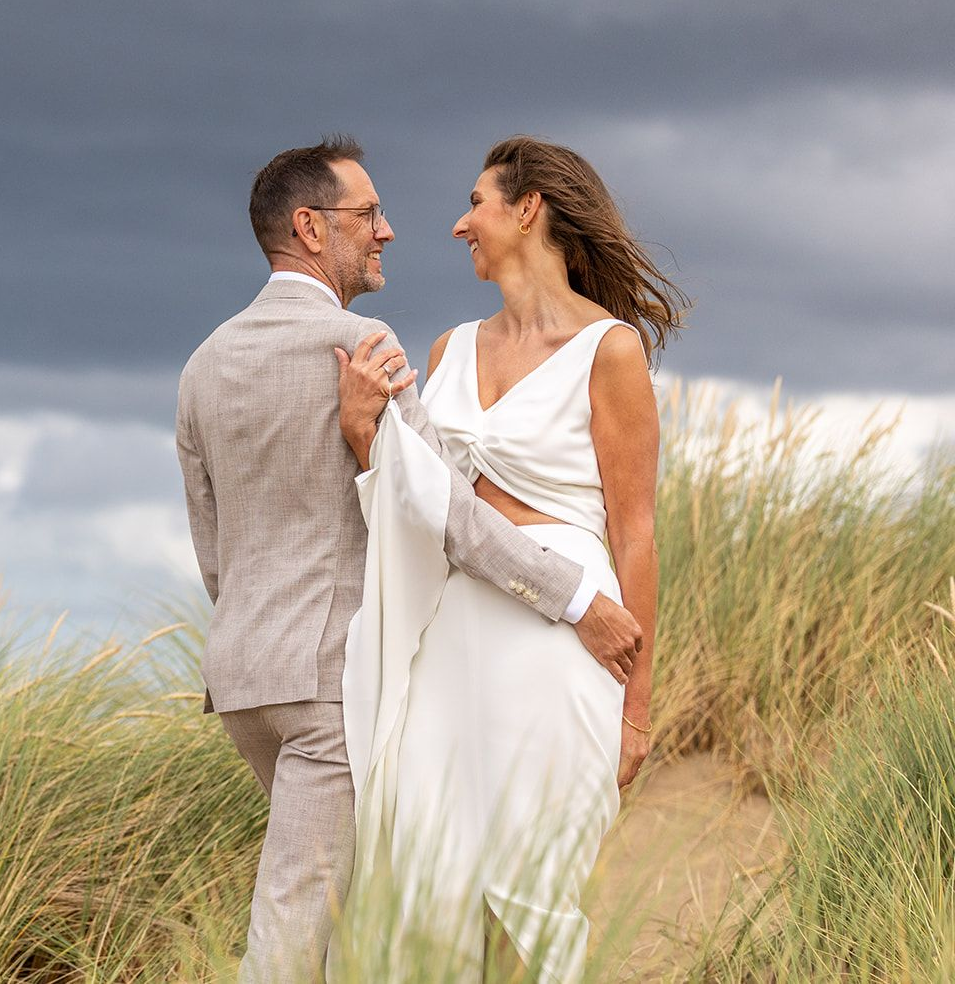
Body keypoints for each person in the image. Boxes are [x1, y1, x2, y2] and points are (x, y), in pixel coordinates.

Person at [174, 135, 645, 984]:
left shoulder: (203, 363)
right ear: (310, 227)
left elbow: (214, 550)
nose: (393, 229)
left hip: (251, 672)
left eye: (472, 203)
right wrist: (575, 596)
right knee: (325, 909)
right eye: (369, 214)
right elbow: (446, 510)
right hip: (365, 669)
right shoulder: (379, 344)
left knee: (393, 905)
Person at [335, 135, 689, 981]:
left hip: (563, 645)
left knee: (529, 895)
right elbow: (423, 499)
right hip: (450, 637)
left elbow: (636, 533)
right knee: (431, 877)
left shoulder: (609, 351)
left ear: (528, 209)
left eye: (477, 203)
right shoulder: (448, 349)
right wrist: (362, 436)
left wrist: (637, 711)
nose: (460, 224)